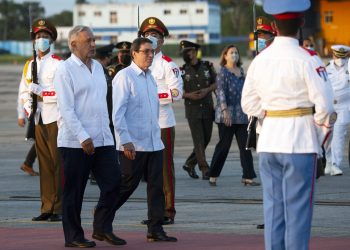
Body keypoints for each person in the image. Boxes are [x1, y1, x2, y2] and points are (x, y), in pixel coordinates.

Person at [241, 0, 336, 249]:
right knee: (298, 211)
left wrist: (270, 115)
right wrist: (318, 132)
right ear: (301, 22)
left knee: (273, 210)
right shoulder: (308, 59)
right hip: (299, 141)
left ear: (274, 25)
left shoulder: (260, 61)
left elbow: (248, 104)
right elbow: (325, 106)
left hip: (269, 140)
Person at [54, 25, 125, 248]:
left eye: (94, 40)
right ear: (74, 44)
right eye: (88, 41)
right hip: (76, 142)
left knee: (114, 183)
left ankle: (102, 228)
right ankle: (73, 236)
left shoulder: (97, 67)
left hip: (103, 139)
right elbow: (66, 108)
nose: (93, 44)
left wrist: (109, 135)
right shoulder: (65, 70)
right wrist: (83, 137)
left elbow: (102, 105)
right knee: (74, 192)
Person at [112, 37, 177, 242]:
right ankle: (103, 213)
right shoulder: (125, 77)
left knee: (156, 187)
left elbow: (153, 110)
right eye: (146, 51)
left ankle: (155, 229)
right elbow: (118, 114)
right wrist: (125, 140)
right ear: (134, 53)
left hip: (153, 142)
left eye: (152, 51)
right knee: (127, 185)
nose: (150, 55)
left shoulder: (150, 77)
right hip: (134, 143)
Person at [138, 17, 183, 226]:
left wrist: (155, 96)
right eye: (147, 35)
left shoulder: (167, 65)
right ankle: (153, 211)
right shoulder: (137, 64)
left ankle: (167, 211)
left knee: (164, 170)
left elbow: (177, 92)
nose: (151, 39)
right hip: (143, 124)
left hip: (162, 123)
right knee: (149, 172)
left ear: (162, 41)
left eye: (155, 36)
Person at [18, 18, 62, 222]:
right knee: (44, 165)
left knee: (57, 164)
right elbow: (25, 90)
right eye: (38, 37)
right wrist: (28, 107)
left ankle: (59, 207)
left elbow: (63, 93)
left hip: (55, 118)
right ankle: (47, 206)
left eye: (45, 37)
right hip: (38, 118)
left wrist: (42, 93)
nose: (41, 40)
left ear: (51, 40)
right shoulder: (30, 64)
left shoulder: (58, 63)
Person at [208, 45, 259, 187]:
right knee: (224, 146)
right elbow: (221, 93)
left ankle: (248, 176)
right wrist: (225, 111)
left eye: (236, 52)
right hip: (227, 115)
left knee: (245, 146)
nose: (234, 55)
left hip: (241, 115)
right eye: (231, 53)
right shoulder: (223, 73)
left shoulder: (241, 72)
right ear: (225, 56)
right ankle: (213, 174)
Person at [180, 40, 216, 180]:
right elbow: (176, 90)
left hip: (207, 107)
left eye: (190, 51)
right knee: (198, 140)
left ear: (195, 52)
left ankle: (190, 163)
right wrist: (188, 95)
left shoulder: (207, 66)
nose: (188, 54)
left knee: (206, 139)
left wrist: (207, 89)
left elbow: (216, 82)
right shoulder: (182, 70)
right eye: (186, 52)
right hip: (192, 110)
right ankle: (205, 168)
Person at [325, 45, 350, 176]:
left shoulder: (349, 66)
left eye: (343, 56)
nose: (341, 59)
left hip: (345, 107)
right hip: (330, 106)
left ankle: (335, 163)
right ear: (333, 55)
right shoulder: (326, 67)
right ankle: (329, 163)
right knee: (327, 135)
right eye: (338, 56)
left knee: (339, 135)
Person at [17, 91, 38, 176]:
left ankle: (28, 163)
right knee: (43, 139)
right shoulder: (27, 76)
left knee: (42, 140)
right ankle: (28, 163)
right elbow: (23, 93)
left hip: (47, 111)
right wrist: (21, 115)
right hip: (36, 110)